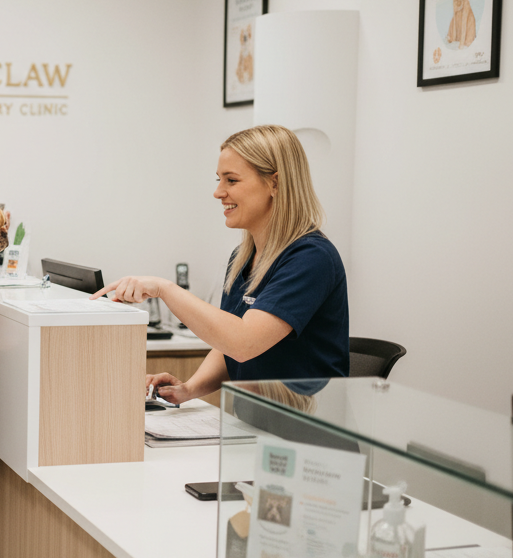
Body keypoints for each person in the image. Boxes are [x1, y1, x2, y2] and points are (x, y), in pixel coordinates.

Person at [93, 124, 348, 400]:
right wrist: (188, 389)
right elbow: (228, 342)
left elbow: (243, 342)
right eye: (219, 180)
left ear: (275, 183)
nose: (218, 192)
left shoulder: (310, 258)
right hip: (256, 424)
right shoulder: (242, 259)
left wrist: (164, 288)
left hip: (305, 432)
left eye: (231, 180)